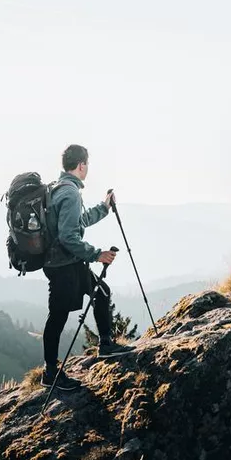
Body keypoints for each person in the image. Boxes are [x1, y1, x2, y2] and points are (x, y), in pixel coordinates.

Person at [40, 144, 134, 390]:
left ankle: (106, 344)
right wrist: (97, 255)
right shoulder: (70, 193)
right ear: (81, 165)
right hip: (64, 265)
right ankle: (50, 373)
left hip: (65, 262)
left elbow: (77, 222)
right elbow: (68, 236)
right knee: (58, 317)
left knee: (101, 292)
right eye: (87, 164)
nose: (88, 168)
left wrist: (104, 207)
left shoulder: (58, 188)